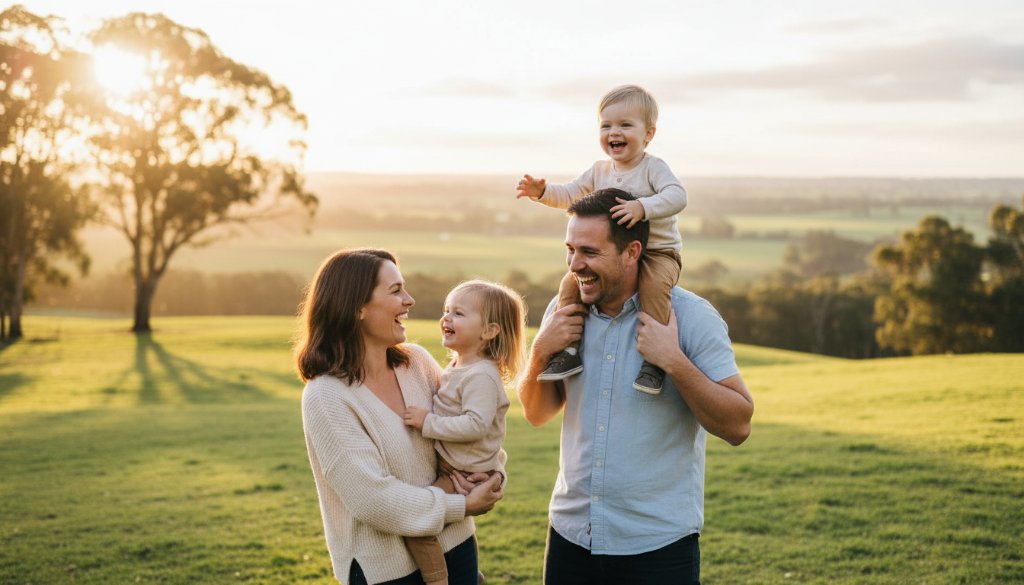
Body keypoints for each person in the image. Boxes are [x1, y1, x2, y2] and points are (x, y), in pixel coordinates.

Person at [517, 190, 754, 585]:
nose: (576, 265)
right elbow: (537, 413)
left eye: (589, 252)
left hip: (657, 547)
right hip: (570, 537)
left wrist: (673, 360)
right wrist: (541, 351)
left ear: (632, 252)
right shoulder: (562, 313)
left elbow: (738, 425)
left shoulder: (691, 318)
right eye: (570, 250)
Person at [296, 248, 504, 585]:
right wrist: (461, 504)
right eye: (395, 291)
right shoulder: (327, 397)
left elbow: (476, 427)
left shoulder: (418, 363)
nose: (409, 300)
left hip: (457, 545)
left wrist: (491, 476)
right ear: (357, 307)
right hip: (388, 569)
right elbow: (373, 500)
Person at [516, 84, 687, 395]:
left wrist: (642, 207)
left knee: (652, 289)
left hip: (658, 253)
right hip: (611, 257)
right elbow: (570, 195)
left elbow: (677, 196)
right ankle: (568, 352)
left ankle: (655, 361)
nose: (614, 132)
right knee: (570, 284)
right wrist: (542, 193)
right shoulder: (598, 171)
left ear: (648, 134)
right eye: (606, 125)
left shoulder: (653, 168)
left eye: (625, 125)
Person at [402, 280, 527, 585]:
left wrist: (427, 422)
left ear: (489, 331)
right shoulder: (460, 365)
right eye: (446, 310)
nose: (446, 318)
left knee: (418, 526)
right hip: (458, 465)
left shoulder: (481, 375)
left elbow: (476, 425)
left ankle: (438, 580)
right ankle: (473, 578)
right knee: (439, 525)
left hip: (462, 472)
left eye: (458, 313)